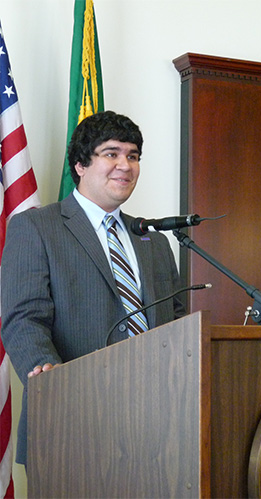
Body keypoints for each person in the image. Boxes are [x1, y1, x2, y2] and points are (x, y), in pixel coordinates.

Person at [0, 110, 186, 466]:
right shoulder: (37, 227)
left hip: (160, 426)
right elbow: (23, 318)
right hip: (74, 421)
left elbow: (177, 323)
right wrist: (47, 373)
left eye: (133, 156)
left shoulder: (153, 240)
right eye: (112, 153)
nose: (125, 165)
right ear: (81, 165)